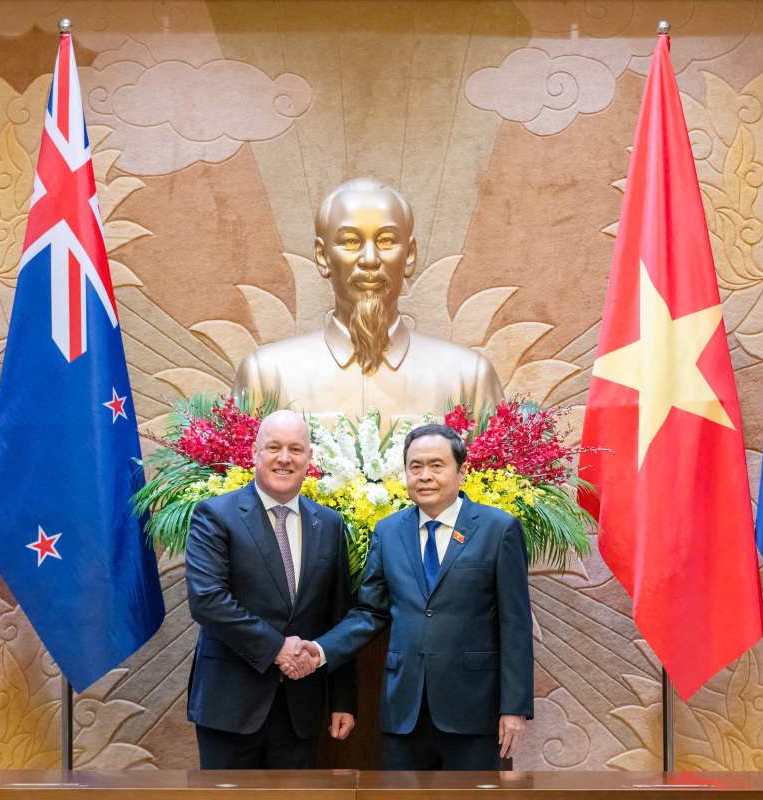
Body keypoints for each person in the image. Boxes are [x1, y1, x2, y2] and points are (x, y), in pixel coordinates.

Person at [285, 423, 533, 770]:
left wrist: (514, 708)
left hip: (475, 711)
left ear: (461, 472)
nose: (425, 476)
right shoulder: (388, 532)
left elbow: (516, 625)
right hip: (404, 711)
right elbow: (370, 611)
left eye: (436, 465)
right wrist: (322, 650)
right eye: (415, 466)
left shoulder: (498, 529)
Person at [234, 178, 504, 427]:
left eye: (386, 241)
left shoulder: (469, 379)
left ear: (409, 255)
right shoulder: (267, 376)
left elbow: (500, 474)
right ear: (322, 256)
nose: (370, 259)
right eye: (350, 242)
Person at [184, 410, 356, 768]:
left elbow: (338, 615)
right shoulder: (215, 515)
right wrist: (277, 647)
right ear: (254, 452)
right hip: (230, 705)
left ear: (310, 458)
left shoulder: (329, 524)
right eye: (274, 447)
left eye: (296, 449)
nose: (284, 458)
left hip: (301, 709)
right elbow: (208, 600)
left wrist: (343, 700)